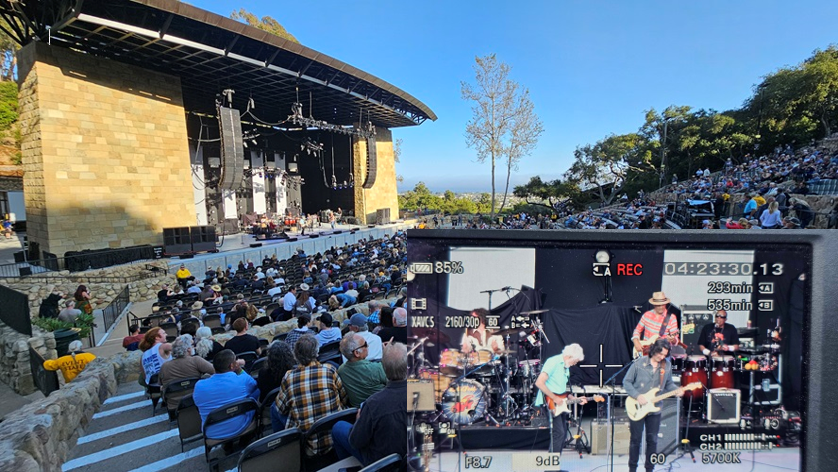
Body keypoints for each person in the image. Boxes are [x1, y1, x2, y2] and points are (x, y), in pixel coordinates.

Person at [331, 342, 407, 466]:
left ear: (384, 369)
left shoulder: (373, 403)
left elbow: (355, 442)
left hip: (383, 464)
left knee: (338, 427)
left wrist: (358, 421)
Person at [273, 335, 348, 454]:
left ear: (295, 355)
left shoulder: (289, 376)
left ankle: (281, 450)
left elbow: (281, 409)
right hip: (335, 437)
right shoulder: (329, 370)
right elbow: (344, 398)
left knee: (274, 408)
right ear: (317, 352)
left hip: (308, 445)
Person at [624, 339, 684, 472]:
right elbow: (626, 382)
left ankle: (649, 469)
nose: (662, 357)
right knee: (635, 440)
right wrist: (637, 396)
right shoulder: (639, 363)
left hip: (655, 409)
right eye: (660, 354)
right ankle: (632, 469)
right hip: (637, 407)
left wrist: (677, 390)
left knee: (652, 440)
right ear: (654, 350)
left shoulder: (666, 365)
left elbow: (668, 384)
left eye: (664, 355)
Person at [192, 349, 258, 441]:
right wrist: (239, 369)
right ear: (232, 365)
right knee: (255, 393)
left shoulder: (199, 386)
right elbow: (254, 385)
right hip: (240, 426)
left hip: (212, 432)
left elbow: (197, 404)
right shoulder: (242, 379)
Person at [534, 344, 587, 454]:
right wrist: (555, 398)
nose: (575, 363)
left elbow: (561, 390)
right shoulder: (553, 362)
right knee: (559, 433)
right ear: (569, 356)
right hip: (549, 402)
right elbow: (539, 382)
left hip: (558, 403)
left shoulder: (565, 367)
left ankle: (554, 462)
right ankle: (552, 464)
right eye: (575, 361)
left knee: (562, 434)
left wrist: (574, 398)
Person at [337, 332, 387, 407]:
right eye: (365, 344)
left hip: (357, 411)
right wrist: (387, 354)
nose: (368, 346)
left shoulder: (341, 370)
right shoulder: (376, 369)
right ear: (357, 353)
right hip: (381, 407)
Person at [631, 292, 679, 358]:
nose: (661, 307)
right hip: (646, 352)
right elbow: (637, 330)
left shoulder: (671, 318)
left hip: (662, 354)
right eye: (658, 305)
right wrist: (636, 342)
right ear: (654, 305)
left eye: (663, 305)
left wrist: (673, 340)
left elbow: (675, 339)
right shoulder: (647, 315)